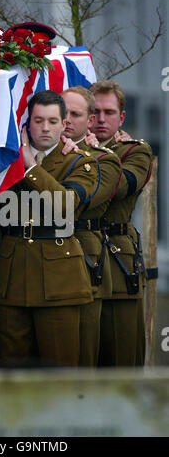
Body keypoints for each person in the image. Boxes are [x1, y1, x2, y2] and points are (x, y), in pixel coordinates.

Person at [0, 90, 99, 367]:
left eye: (52, 121)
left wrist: (30, 166)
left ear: (64, 124)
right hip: (13, 274)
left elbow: (65, 206)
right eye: (38, 120)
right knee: (11, 372)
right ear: (27, 124)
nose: (45, 128)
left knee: (60, 370)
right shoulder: (5, 160)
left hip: (59, 279)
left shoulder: (80, 161)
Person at [88, 79, 153, 367]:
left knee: (121, 359)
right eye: (95, 111)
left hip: (118, 261)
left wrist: (92, 155)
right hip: (79, 258)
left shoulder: (135, 151)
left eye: (109, 112)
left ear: (122, 117)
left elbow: (120, 186)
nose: (101, 119)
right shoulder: (69, 150)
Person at [61, 86, 122, 366]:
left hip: (86, 263)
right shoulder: (38, 155)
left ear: (88, 122)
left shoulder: (102, 159)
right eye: (62, 112)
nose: (66, 120)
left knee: (82, 360)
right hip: (42, 266)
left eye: (75, 114)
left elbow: (69, 203)